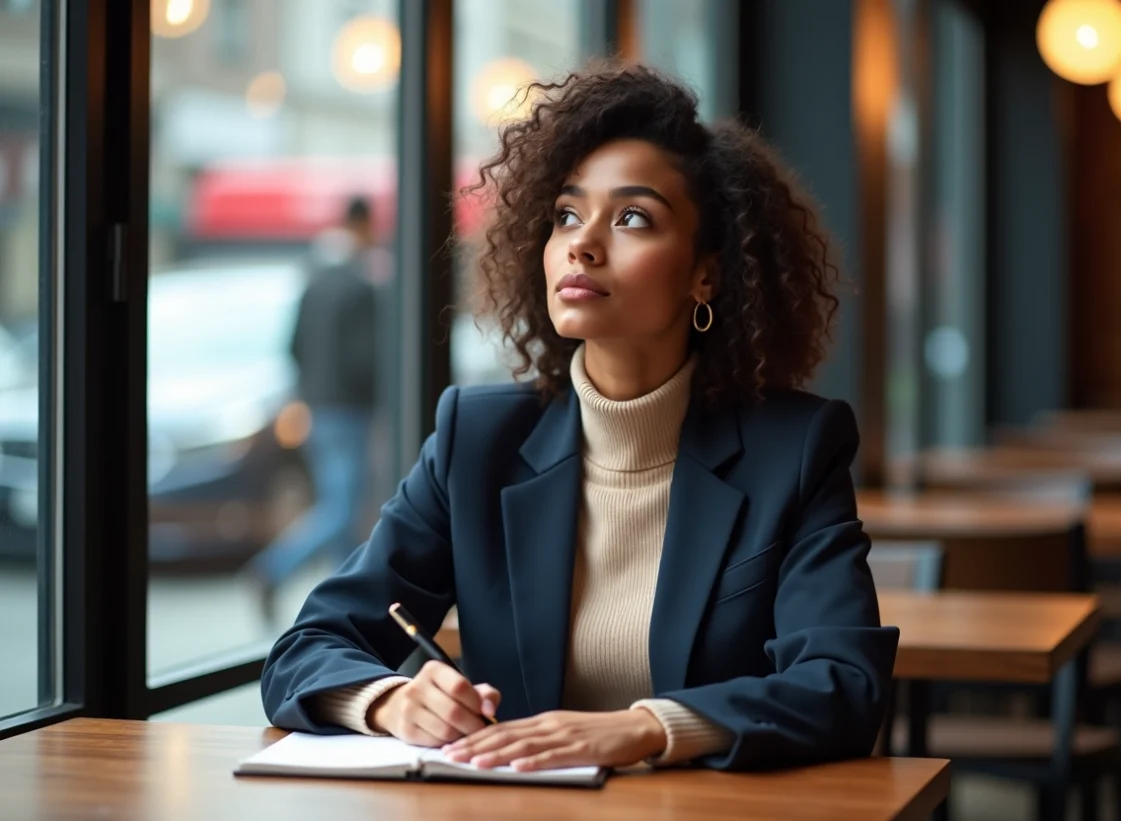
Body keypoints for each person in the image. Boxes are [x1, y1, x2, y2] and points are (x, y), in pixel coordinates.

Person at [261, 63, 898, 773]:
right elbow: (308, 645)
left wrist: (646, 728)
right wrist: (388, 699)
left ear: (706, 274)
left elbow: (843, 685)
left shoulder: (796, 449)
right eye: (567, 214)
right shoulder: (478, 438)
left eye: (633, 218)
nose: (582, 243)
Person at [249, 197, 379, 623]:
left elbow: (292, 346)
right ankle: (272, 569)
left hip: (317, 407)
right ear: (363, 226)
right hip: (349, 410)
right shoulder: (359, 285)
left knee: (336, 504)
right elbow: (366, 358)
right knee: (342, 506)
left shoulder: (313, 279)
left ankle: (347, 602)